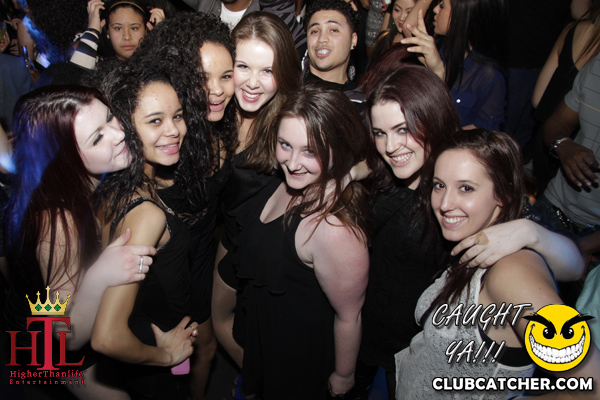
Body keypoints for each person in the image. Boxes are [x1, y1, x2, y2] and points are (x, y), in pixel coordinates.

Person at [356, 65, 586, 399]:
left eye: (403, 129)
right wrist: (351, 172)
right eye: (380, 133)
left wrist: (530, 232)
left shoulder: (509, 265)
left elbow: (587, 381)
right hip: (395, 353)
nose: (390, 146)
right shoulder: (408, 172)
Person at [395, 129, 600, 399]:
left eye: (466, 188)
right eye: (439, 185)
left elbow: (592, 387)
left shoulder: (513, 273)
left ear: (503, 194)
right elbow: (574, 267)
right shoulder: (476, 241)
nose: (444, 203)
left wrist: (531, 232)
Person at [3, 85, 158, 400]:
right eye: (97, 138)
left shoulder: (79, 183)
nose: (119, 133)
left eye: (111, 117)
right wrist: (99, 275)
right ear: (65, 160)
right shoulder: (57, 224)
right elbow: (64, 336)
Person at [232, 82, 369, 399]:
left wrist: (343, 375)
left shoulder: (333, 228)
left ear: (337, 149)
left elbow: (349, 316)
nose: (292, 163)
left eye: (310, 151)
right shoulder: (283, 183)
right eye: (285, 144)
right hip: (268, 340)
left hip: (299, 360)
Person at [130, 12, 239, 400]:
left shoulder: (226, 126)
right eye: (202, 77)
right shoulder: (163, 143)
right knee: (175, 356)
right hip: (165, 264)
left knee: (205, 348)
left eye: (226, 75)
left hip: (203, 252)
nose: (217, 90)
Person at [91, 64, 200, 399]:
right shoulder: (146, 216)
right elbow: (107, 336)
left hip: (146, 331)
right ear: (125, 128)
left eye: (177, 116)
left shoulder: (111, 186)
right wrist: (166, 356)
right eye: (155, 121)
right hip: (154, 363)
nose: (174, 130)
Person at [211, 10, 302, 372]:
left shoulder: (290, 124)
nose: (252, 82)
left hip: (269, 254)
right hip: (232, 236)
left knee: (261, 341)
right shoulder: (219, 113)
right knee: (218, 321)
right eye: (243, 66)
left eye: (267, 70)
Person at [401, 0, 507, 130]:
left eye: (442, 6)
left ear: (461, 15)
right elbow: (409, 26)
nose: (435, 9)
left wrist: (438, 72)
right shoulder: (437, 49)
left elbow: (485, 130)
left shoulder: (488, 74)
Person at [303, 0, 366, 108]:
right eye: (314, 31)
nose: (322, 38)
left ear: (353, 40)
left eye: (333, 30)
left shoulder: (361, 106)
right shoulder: (289, 84)